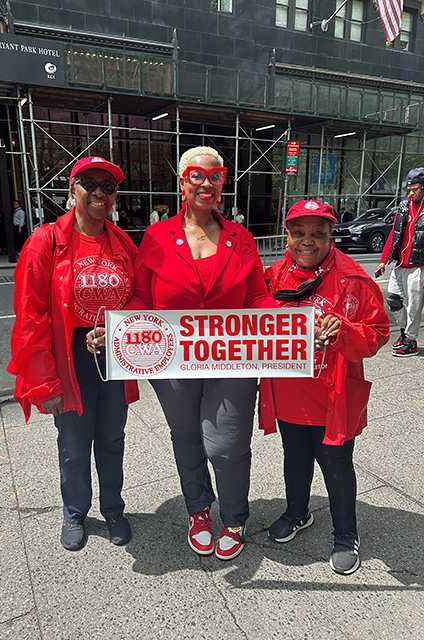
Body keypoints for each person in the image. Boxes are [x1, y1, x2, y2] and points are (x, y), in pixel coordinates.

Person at [121, 146, 276, 561]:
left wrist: (292, 322)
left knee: (226, 444)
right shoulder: (156, 236)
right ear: (182, 182)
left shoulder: (241, 238)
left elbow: (257, 298)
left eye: (215, 176)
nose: (206, 183)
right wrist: (116, 326)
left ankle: (234, 517)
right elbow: (141, 298)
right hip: (172, 358)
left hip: (234, 356)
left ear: (223, 182)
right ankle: (198, 511)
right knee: (187, 437)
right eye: (197, 175)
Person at [8, 156, 139, 552]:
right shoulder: (45, 241)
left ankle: (113, 509)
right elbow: (30, 317)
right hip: (69, 357)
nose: (99, 192)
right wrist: (44, 382)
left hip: (113, 354)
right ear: (72, 188)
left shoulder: (123, 243)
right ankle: (75, 511)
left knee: (112, 438)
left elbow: (140, 297)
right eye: (90, 184)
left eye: (108, 186)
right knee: (74, 443)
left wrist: (119, 328)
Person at [260, 199, 389, 575]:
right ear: (287, 235)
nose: (307, 241)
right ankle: (297, 512)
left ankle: (346, 535)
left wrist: (344, 329)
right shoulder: (274, 275)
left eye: (318, 233)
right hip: (288, 393)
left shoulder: (354, 279)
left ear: (331, 235)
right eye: (299, 232)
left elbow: (378, 332)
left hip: (332, 395)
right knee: (295, 456)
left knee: (336, 463)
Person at [376, 168, 424, 357]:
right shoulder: (404, 207)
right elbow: (393, 236)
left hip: (418, 267)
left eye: (414, 190)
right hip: (400, 265)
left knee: (414, 306)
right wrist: (383, 261)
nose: (410, 194)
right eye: (408, 190)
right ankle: (404, 332)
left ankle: (411, 341)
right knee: (393, 300)